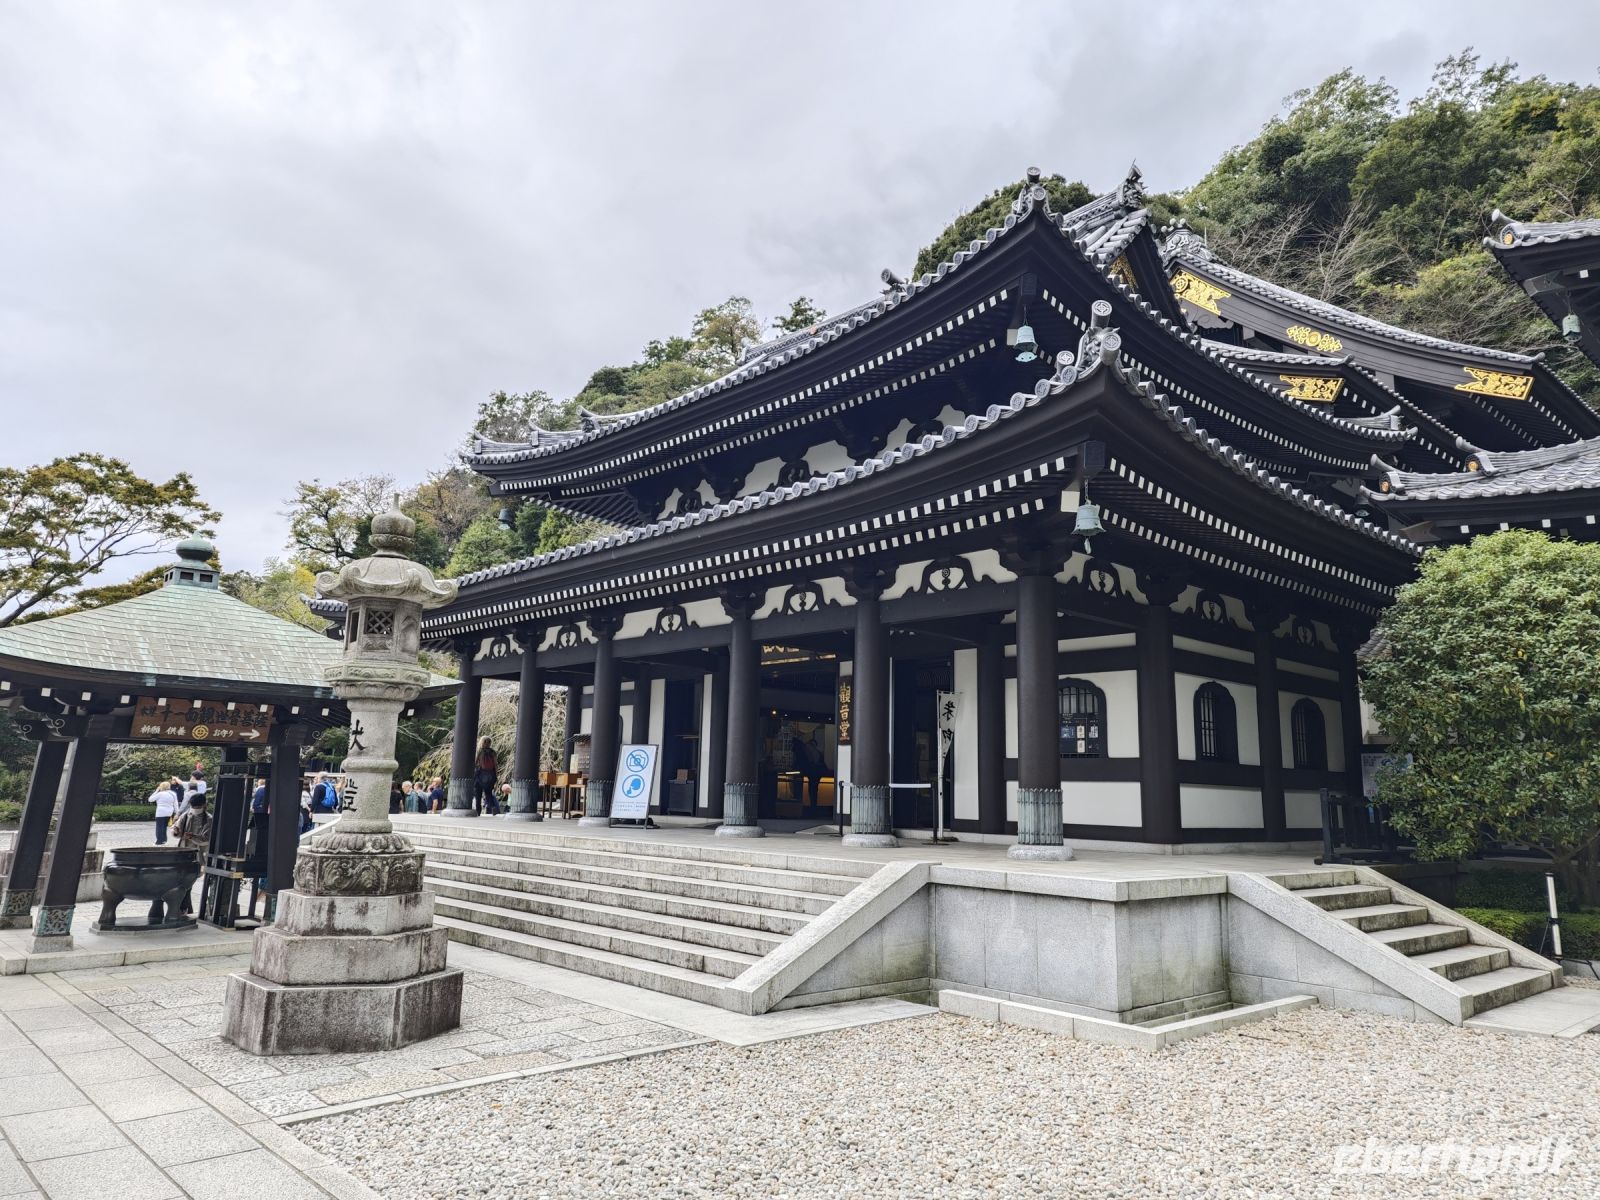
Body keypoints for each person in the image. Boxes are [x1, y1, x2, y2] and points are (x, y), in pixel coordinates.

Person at [171, 791, 213, 915]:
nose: (195, 809)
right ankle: (185, 908)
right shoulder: (186, 815)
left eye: (198, 807)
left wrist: (192, 836)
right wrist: (176, 831)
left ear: (204, 805)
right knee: (182, 882)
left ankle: (184, 908)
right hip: (183, 852)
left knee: (188, 882)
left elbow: (206, 840)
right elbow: (177, 832)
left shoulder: (209, 819)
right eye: (194, 807)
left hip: (198, 854)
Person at [148, 778, 180, 844]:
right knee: (164, 826)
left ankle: (159, 841)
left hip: (160, 812)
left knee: (159, 827)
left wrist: (156, 791)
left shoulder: (160, 794)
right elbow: (176, 804)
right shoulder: (173, 793)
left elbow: (150, 799)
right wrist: (177, 813)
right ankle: (164, 839)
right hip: (169, 812)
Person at [473, 737, 498, 814]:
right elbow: (496, 764)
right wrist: (496, 774)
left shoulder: (480, 751)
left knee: (478, 793)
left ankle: (478, 811)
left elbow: (476, 762)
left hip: (481, 774)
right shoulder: (493, 752)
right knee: (489, 793)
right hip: (490, 775)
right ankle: (493, 807)